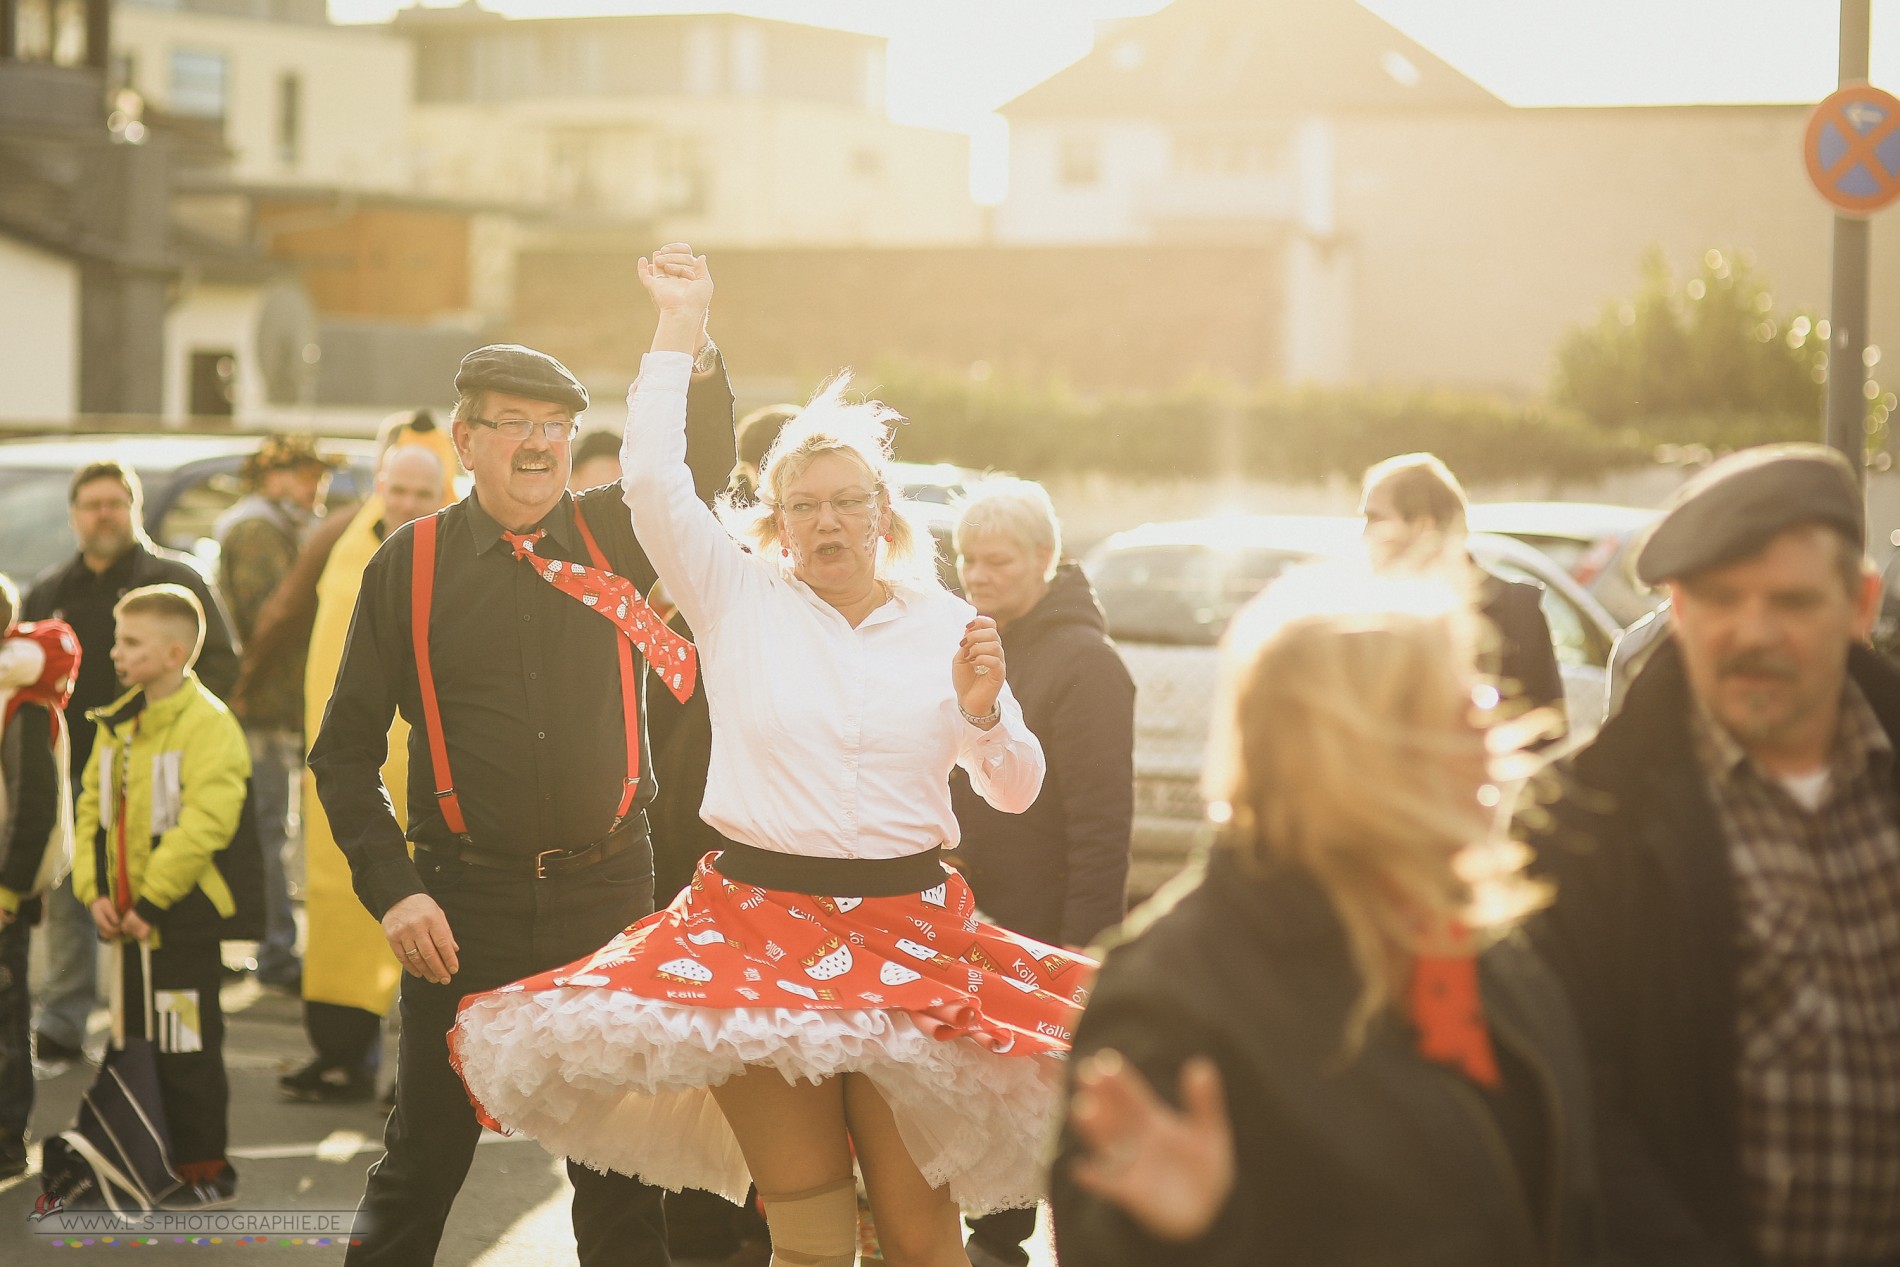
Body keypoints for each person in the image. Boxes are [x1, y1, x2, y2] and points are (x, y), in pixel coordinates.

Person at [452, 247, 1083, 1267]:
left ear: (885, 513)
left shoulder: (946, 623)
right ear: (776, 524)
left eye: (847, 500)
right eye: (804, 505)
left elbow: (1014, 788)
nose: (827, 520)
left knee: (925, 1235)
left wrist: (983, 717)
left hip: (910, 932)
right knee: (808, 1227)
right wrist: (680, 326)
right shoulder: (736, 598)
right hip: (755, 928)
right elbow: (657, 481)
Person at [308, 324, 737, 1265]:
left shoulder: (614, 531)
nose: (540, 442)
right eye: (513, 423)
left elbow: (698, 471)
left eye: (556, 424)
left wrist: (690, 350)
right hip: (463, 904)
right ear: (465, 441)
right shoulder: (406, 567)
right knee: (422, 1165)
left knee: (621, 1180)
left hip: (608, 896)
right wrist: (395, 888)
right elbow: (341, 753)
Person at [1048, 569, 1609, 1265]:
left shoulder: (1485, 936)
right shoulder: (1171, 993)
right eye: (1456, 706)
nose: (1492, 734)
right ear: (1351, 748)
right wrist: (1187, 1240)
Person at [1521, 443, 1900, 1267]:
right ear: (1677, 612)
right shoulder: (1580, 822)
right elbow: (1577, 1108)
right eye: (1722, 599)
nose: (1754, 632)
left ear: (1858, 603)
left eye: (1791, 601)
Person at [949, 478, 1135, 1267]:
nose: (978, 575)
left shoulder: (1086, 663)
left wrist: (1080, 953)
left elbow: (1102, 829)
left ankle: (1000, 1246)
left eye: (997, 560)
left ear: (1046, 559)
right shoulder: (975, 641)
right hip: (966, 918)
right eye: (965, 558)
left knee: (1028, 1116)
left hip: (1043, 929)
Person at [23, 460, 239, 1072]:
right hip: (74, 771)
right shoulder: (50, 591)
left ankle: (151, 1036)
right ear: (74, 516)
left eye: (115, 503)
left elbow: (222, 664)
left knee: (157, 902)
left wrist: (167, 727)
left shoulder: (175, 580)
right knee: (74, 896)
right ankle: (65, 1020)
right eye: (91, 504)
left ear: (135, 509)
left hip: (160, 772)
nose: (103, 515)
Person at [265, 427, 452, 1104]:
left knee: (432, 911)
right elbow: (288, 614)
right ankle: (342, 1053)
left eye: (421, 492)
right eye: (396, 488)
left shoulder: (462, 549)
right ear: (378, 484)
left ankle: (424, 1073)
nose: (406, 501)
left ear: (445, 492)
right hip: (351, 761)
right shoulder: (344, 540)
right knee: (340, 899)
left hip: (437, 770)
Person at [72, 583, 250, 1209]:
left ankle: (205, 1172)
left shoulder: (210, 725)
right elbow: (91, 813)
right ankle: (141, 1160)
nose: (116, 652)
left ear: (175, 653)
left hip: (179, 925)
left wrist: (150, 903)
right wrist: (94, 893)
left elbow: (207, 821)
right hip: (126, 922)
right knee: (132, 1041)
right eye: (118, 640)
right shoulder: (119, 724)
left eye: (130, 641)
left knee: (185, 1046)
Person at [219, 434, 345, 991]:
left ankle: (273, 945)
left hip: (276, 704)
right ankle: (275, 950)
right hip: (261, 707)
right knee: (272, 830)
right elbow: (269, 617)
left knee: (274, 829)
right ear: (271, 477)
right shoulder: (256, 530)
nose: (316, 485)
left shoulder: (282, 525)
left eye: (319, 474)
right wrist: (245, 690)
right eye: (304, 473)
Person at [1361, 453, 1566, 738]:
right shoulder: (1364, 617)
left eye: (1375, 519)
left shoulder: (1516, 609)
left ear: (1424, 527)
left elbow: (1547, 734)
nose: (1364, 535)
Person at [0, 574, 76, 1179]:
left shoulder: (22, 702)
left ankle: (6, 1139)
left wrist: (11, 887)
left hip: (3, 891)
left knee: (4, 1018)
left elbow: (33, 808)